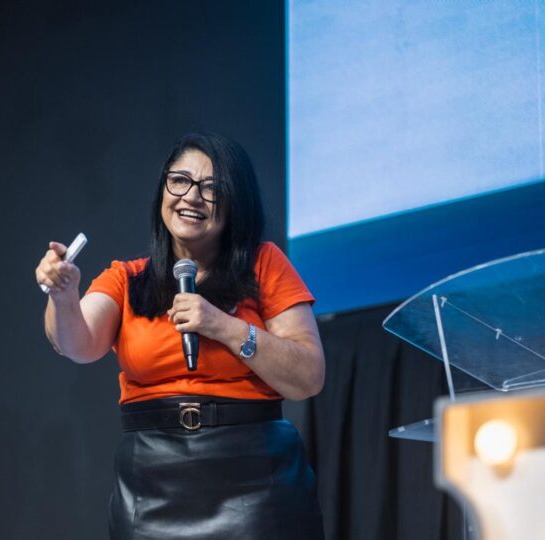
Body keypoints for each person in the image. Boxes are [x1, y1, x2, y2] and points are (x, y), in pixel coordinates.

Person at [35, 132, 326, 539]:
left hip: (253, 475)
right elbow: (76, 345)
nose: (192, 197)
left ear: (235, 203)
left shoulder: (264, 264)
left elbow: (309, 375)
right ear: (163, 191)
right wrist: (63, 296)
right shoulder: (127, 277)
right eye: (180, 181)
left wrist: (222, 326)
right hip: (152, 481)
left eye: (212, 188)